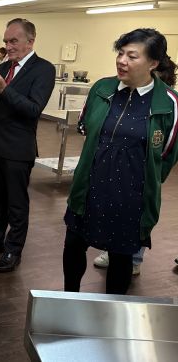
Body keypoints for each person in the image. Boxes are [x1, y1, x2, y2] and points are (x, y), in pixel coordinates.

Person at [63, 28, 178, 295]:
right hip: (89, 188)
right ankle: (68, 298)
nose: (122, 61)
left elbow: (167, 155)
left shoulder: (169, 103)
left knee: (121, 258)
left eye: (132, 56)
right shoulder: (102, 88)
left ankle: (112, 309)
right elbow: (86, 125)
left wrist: (142, 180)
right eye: (121, 53)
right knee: (74, 246)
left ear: (153, 63)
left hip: (130, 198)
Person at [0, 18, 55, 272]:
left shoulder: (44, 69)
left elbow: (33, 109)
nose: (8, 46)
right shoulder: (4, 66)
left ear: (31, 41)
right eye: (6, 41)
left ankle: (13, 249)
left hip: (17, 148)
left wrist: (4, 89)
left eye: (14, 41)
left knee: (16, 203)